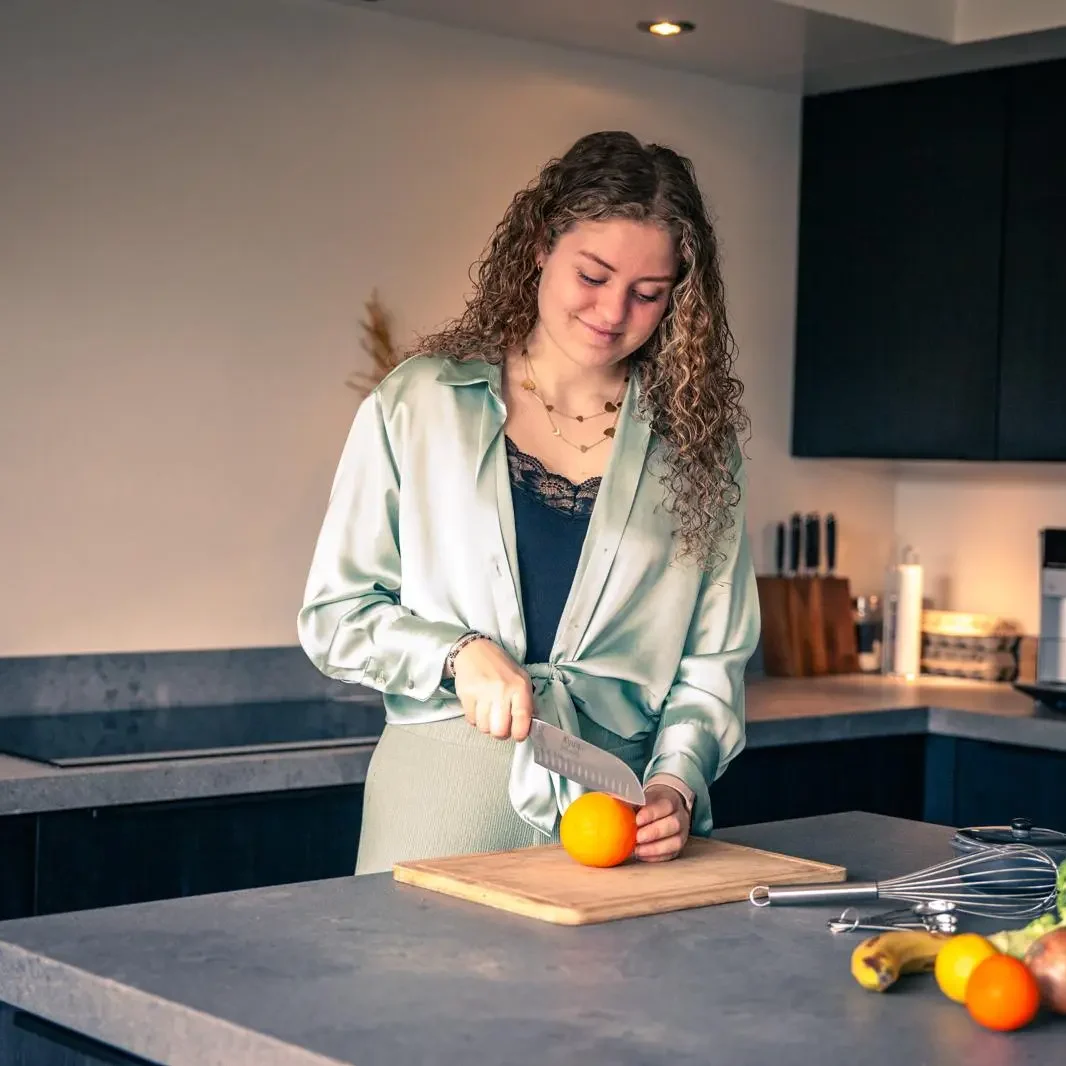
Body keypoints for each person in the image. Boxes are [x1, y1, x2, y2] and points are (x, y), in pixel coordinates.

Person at [297, 130, 761, 875]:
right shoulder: (420, 404)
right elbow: (335, 615)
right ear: (542, 245)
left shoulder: (698, 449)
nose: (613, 311)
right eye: (594, 275)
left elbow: (712, 662)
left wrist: (676, 780)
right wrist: (457, 653)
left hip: (614, 821)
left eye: (648, 294)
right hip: (442, 800)